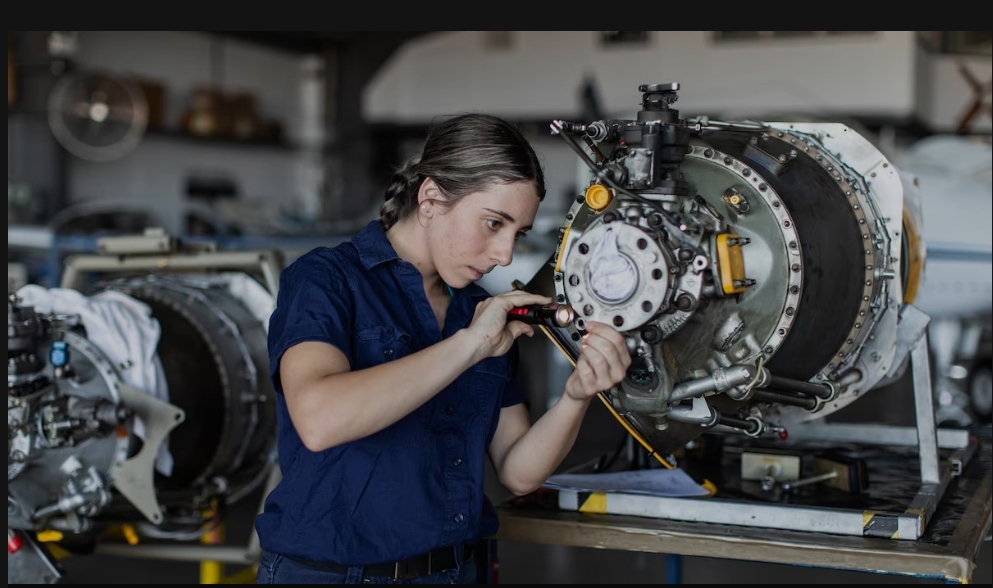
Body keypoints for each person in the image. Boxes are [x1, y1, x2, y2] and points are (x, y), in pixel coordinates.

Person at [255, 113, 632, 584]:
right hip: (332, 575)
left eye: (517, 233)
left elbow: (517, 471)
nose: (505, 254)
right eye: (494, 223)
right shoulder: (327, 281)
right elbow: (319, 419)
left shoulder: (481, 313)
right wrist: (470, 345)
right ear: (431, 198)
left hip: (453, 572)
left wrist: (577, 395)